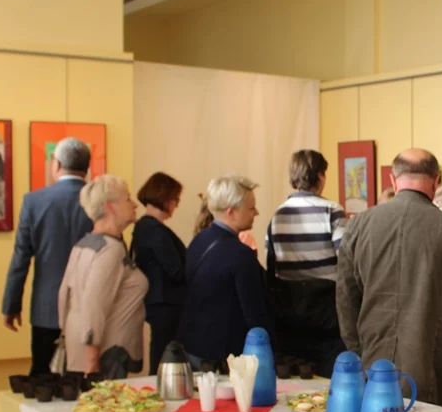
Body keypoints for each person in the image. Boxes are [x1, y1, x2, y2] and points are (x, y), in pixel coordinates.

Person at [337, 149, 442, 409]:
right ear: (436, 179)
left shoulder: (357, 226)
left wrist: (358, 354)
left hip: (373, 369)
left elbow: (345, 301)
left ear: (393, 179)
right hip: (435, 374)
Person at [1, 138, 93, 375]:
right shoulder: (99, 202)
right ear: (87, 167)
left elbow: (21, 258)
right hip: (90, 306)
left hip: (47, 307)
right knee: (87, 378)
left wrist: (11, 304)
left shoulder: (34, 202)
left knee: (43, 378)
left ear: (57, 164)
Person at [266, 149, 347, 377]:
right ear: (320, 176)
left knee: (296, 375)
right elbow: (346, 259)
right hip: (325, 307)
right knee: (329, 376)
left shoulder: (278, 214)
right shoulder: (332, 210)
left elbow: (271, 261)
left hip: (288, 308)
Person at [179, 175, 273, 368]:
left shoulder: (197, 241)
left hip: (192, 345)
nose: (256, 212)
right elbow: (255, 314)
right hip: (223, 356)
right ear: (232, 212)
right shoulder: (240, 254)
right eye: (251, 208)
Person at [58, 176, 147, 378]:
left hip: (79, 350)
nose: (134, 205)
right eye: (128, 199)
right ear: (110, 206)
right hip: (106, 357)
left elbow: (64, 297)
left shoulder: (84, 244)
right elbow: (94, 303)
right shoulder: (110, 250)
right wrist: (92, 364)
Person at [131, 172, 186, 375]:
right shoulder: (153, 229)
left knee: (163, 354)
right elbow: (175, 269)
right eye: (175, 199)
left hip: (162, 301)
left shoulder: (147, 227)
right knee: (165, 356)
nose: (176, 205)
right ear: (164, 197)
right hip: (165, 303)